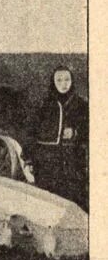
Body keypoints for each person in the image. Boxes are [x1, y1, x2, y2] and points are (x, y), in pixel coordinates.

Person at [25, 66, 88, 210]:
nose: (63, 84)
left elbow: (91, 130)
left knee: (72, 200)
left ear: (72, 81)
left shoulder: (81, 105)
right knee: (47, 200)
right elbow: (30, 133)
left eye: (67, 79)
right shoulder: (44, 105)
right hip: (47, 161)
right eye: (59, 80)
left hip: (71, 160)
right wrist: (29, 158)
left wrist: (75, 133)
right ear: (53, 82)